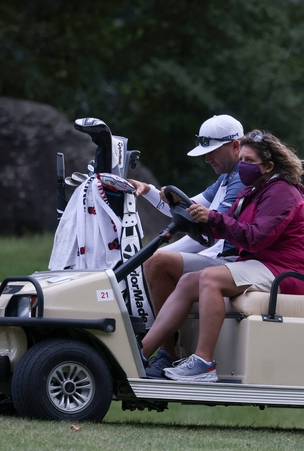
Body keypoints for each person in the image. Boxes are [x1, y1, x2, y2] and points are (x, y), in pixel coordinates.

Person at [140, 130, 304, 382]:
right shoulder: (251, 192)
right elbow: (222, 227)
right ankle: (142, 353)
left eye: (249, 161)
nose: (242, 166)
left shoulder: (283, 193)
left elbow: (257, 237)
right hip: (260, 265)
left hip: (285, 272)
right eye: (241, 160)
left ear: (269, 166)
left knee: (210, 278)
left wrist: (212, 217)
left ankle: (203, 364)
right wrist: (192, 215)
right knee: (190, 281)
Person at [127, 114, 245, 377]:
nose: (206, 158)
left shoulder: (241, 178)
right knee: (149, 262)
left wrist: (162, 255)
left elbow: (212, 228)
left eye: (213, 151)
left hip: (230, 260)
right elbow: (184, 209)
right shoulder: (226, 178)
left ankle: (159, 354)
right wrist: (146, 191)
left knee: (155, 262)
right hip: (216, 255)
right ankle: (157, 353)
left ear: (235, 146)